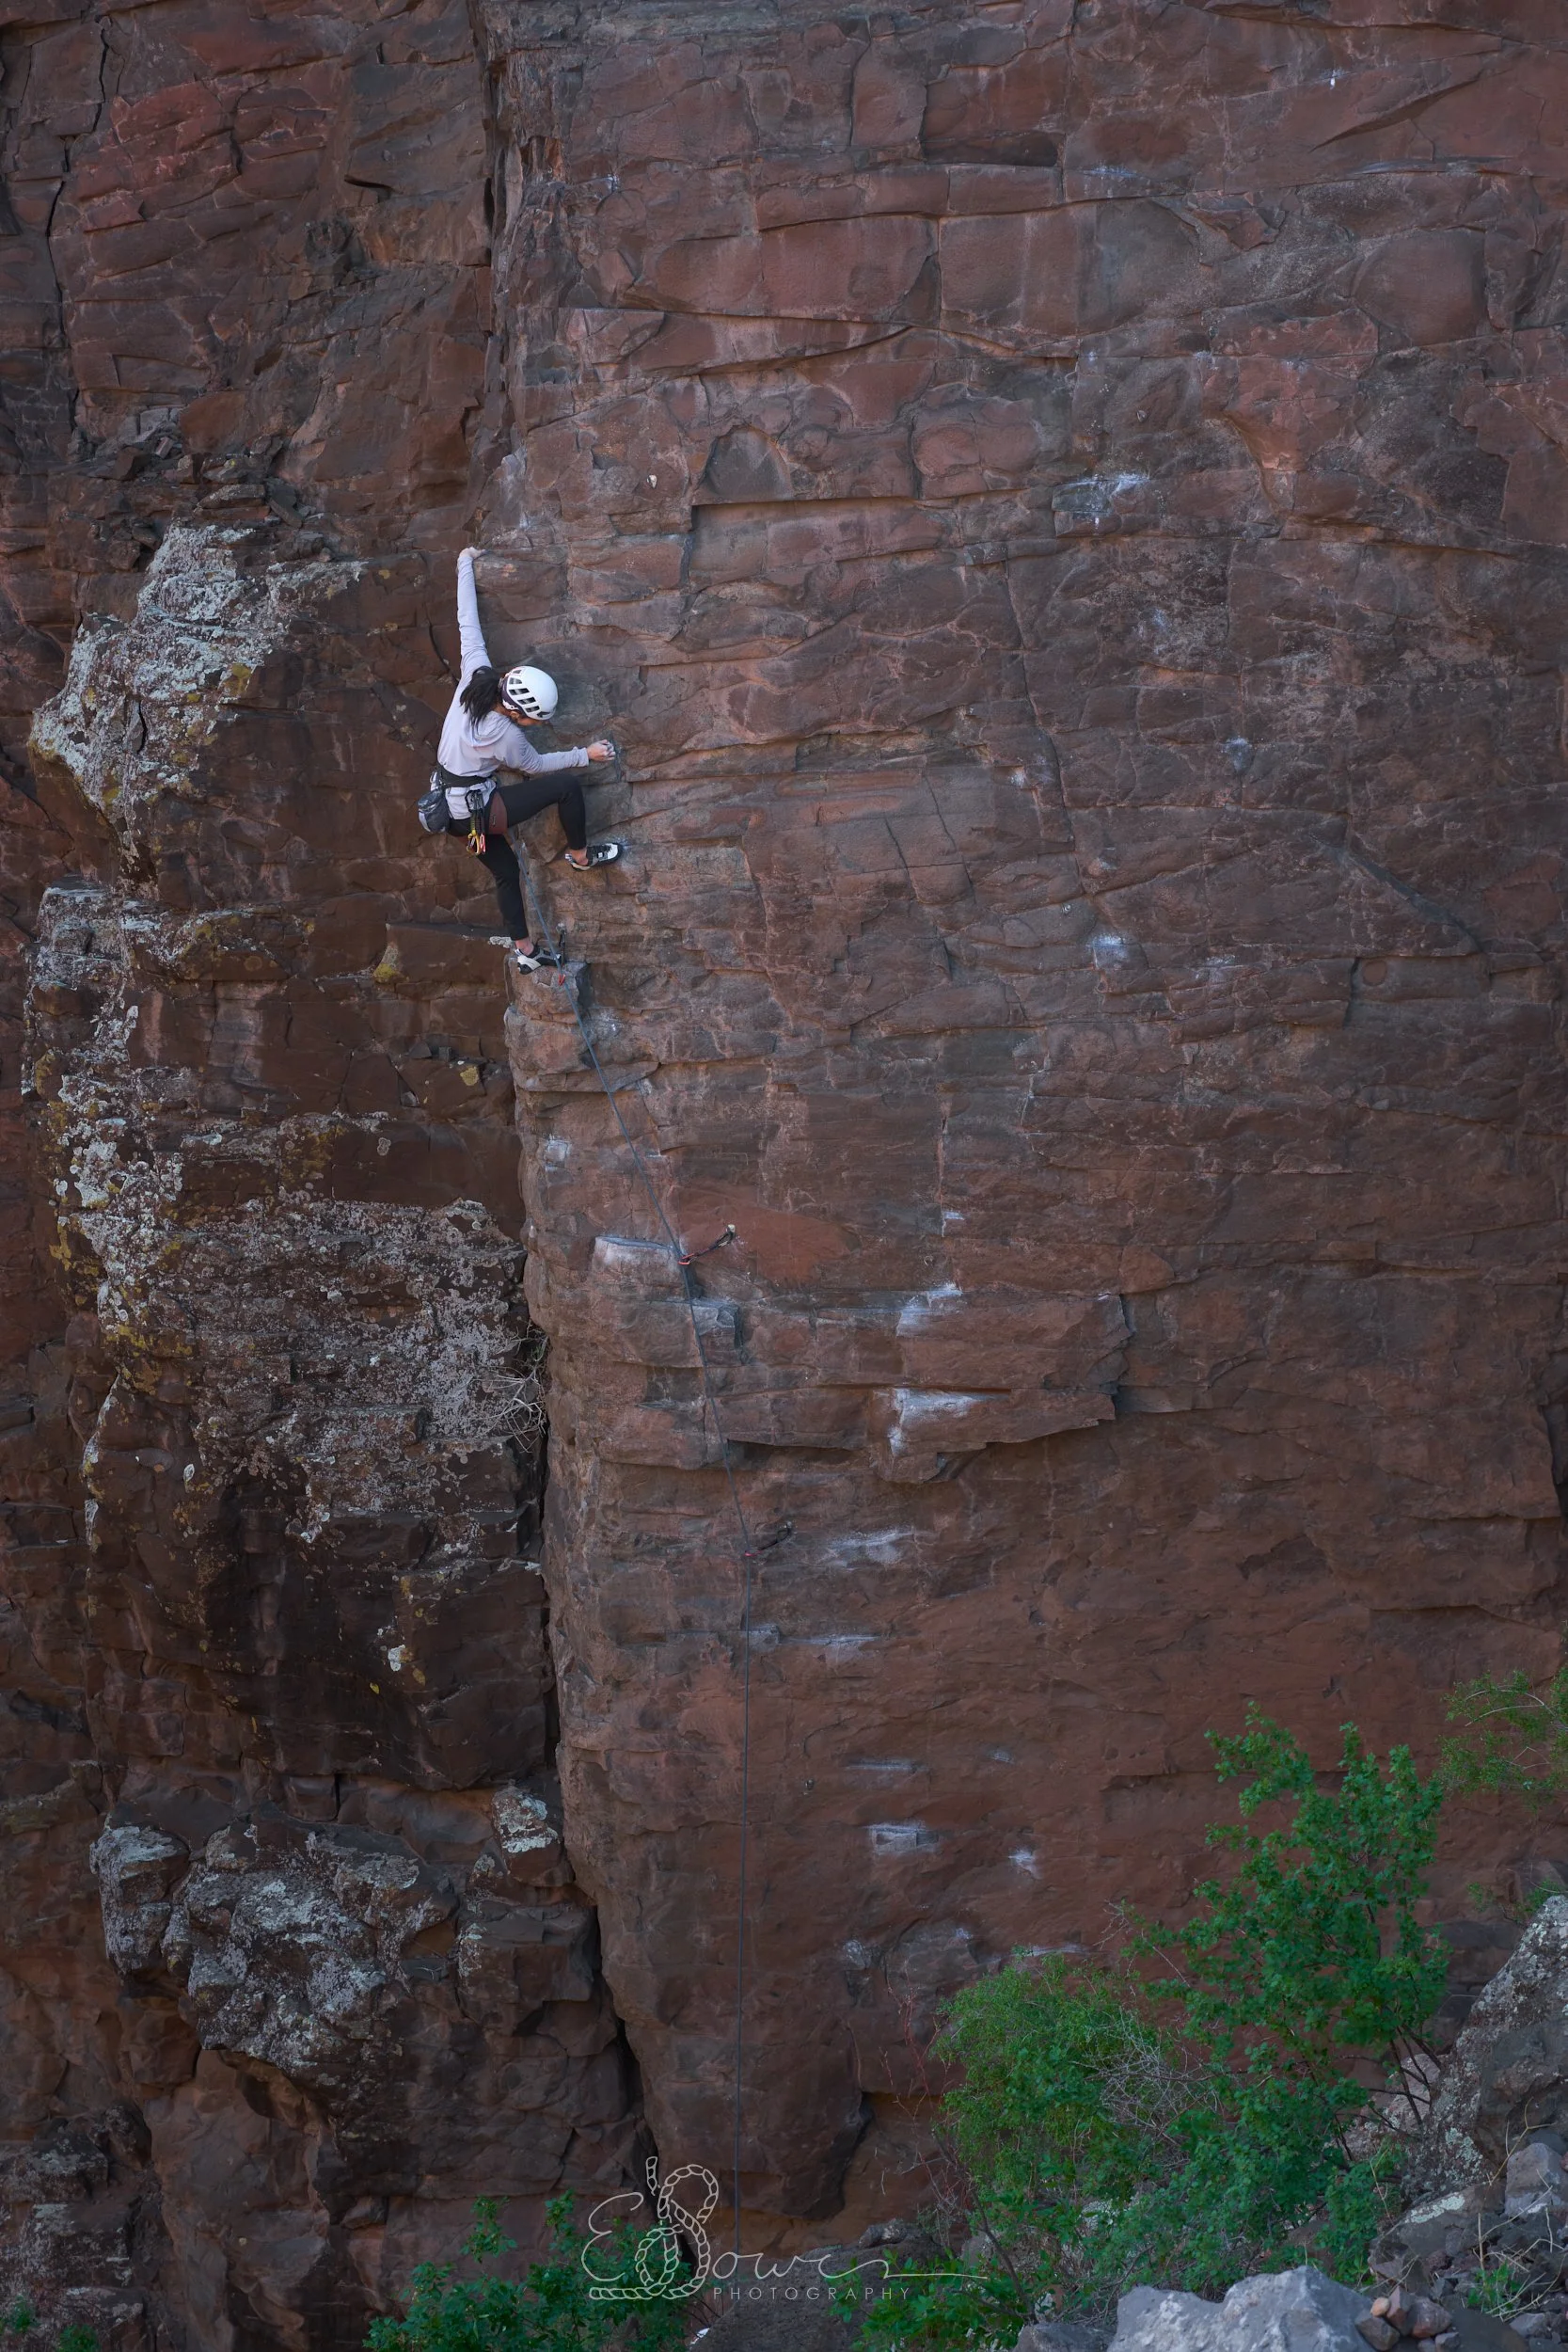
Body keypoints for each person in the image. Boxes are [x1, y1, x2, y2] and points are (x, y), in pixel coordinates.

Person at [436, 545, 620, 971]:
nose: (535, 724)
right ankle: (580, 857)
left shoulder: (476, 676)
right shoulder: (502, 733)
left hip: (447, 803)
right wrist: (584, 754)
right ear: (516, 711)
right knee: (567, 787)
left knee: (505, 871)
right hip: (476, 813)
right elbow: (536, 767)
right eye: (534, 719)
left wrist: (464, 561)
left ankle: (525, 952)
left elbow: (469, 623)